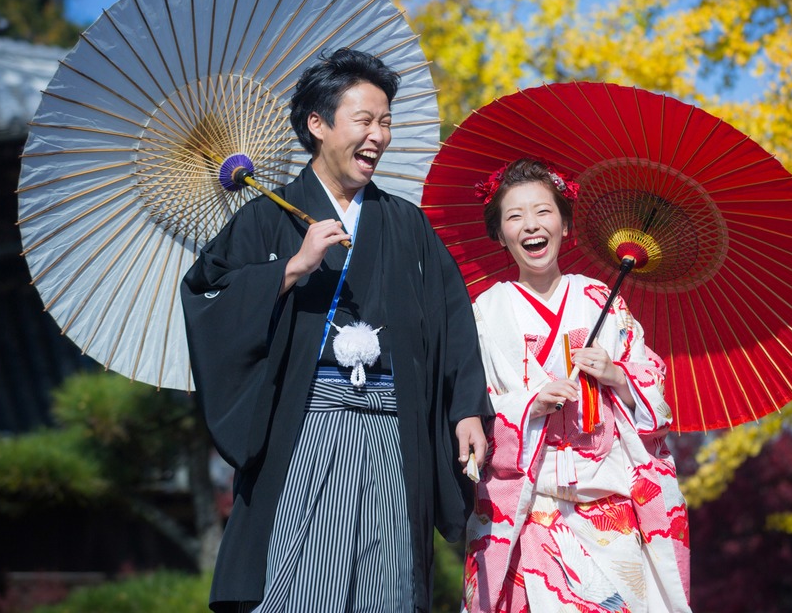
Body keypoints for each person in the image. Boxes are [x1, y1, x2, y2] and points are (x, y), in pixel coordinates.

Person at [181, 48, 491, 613]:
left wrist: (465, 408)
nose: (378, 135)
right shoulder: (266, 218)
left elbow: (452, 318)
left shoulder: (405, 223)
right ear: (318, 125)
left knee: (389, 585)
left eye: (386, 122)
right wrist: (288, 269)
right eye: (364, 120)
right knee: (303, 584)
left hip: (396, 427)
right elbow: (206, 295)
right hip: (308, 424)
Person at [462, 158, 691, 612]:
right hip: (529, 516)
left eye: (544, 212)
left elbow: (654, 395)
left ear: (565, 225)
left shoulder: (599, 301)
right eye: (514, 216)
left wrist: (618, 378)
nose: (531, 225)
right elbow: (475, 405)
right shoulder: (487, 312)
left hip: (610, 517)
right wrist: (528, 404)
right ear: (499, 233)